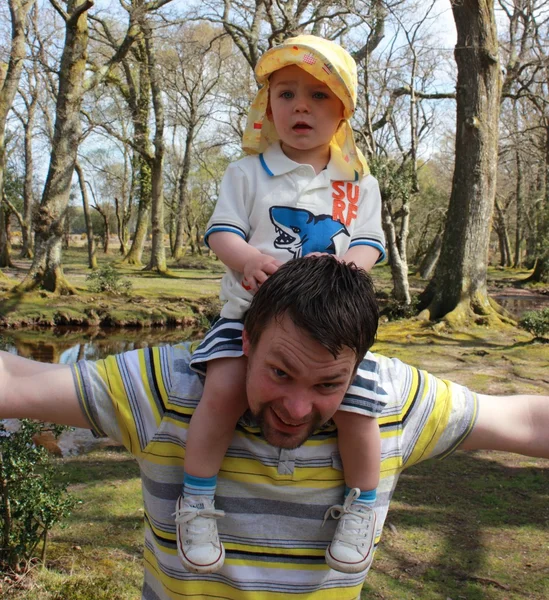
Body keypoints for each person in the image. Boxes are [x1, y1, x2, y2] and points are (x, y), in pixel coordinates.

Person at [1, 256, 548, 600]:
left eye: (329, 385)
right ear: (245, 343)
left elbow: (523, 419)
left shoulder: (392, 402)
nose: (296, 406)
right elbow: (17, 382)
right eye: (279, 372)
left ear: (357, 371)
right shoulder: (171, 389)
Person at [181, 34, 387, 575]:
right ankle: (198, 501)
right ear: (267, 106)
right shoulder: (246, 173)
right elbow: (221, 233)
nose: (301, 106)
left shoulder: (357, 183)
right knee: (224, 388)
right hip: (246, 319)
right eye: (287, 93)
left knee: (360, 406)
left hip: (331, 330)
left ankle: (363, 506)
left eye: (319, 96)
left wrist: (352, 268)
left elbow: (369, 242)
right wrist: (245, 259)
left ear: (342, 110)